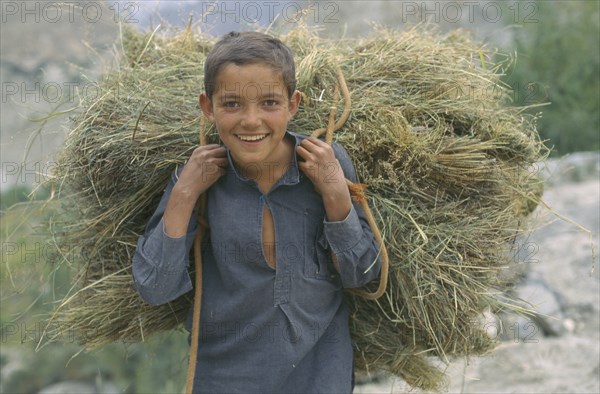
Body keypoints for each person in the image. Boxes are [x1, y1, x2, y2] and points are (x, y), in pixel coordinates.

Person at [132, 31, 381, 393]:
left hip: (319, 374)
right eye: (231, 104)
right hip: (224, 377)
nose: (251, 120)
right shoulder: (196, 178)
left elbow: (363, 274)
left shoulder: (326, 162)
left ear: (293, 104)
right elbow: (155, 287)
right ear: (208, 106)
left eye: (269, 103)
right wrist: (185, 193)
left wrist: (334, 192)